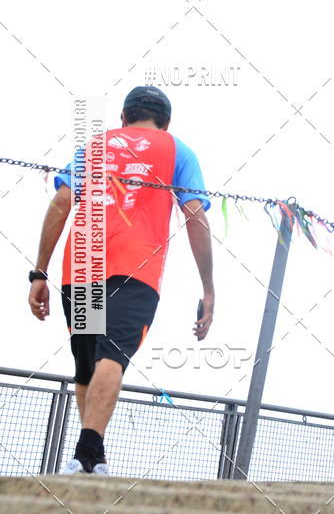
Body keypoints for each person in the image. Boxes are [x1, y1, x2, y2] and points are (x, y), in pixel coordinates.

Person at [28, 86, 214, 475]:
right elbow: (194, 216)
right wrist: (208, 288)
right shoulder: (177, 150)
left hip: (82, 264)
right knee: (112, 355)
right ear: (165, 122)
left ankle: (92, 456)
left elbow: (61, 202)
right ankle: (86, 455)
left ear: (124, 118)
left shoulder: (96, 146)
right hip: (137, 268)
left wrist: (39, 272)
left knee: (85, 365)